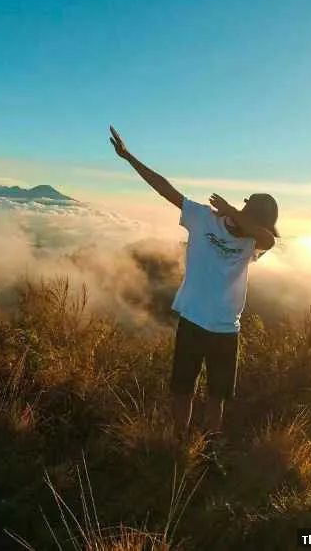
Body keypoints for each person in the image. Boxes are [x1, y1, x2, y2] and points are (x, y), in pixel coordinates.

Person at [109, 125, 278, 444]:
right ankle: (177, 442)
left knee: (217, 395)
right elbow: (165, 189)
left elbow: (268, 238)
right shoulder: (203, 218)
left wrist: (231, 211)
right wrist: (128, 157)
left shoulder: (254, 242)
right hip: (193, 320)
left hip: (227, 329)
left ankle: (209, 447)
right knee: (182, 389)